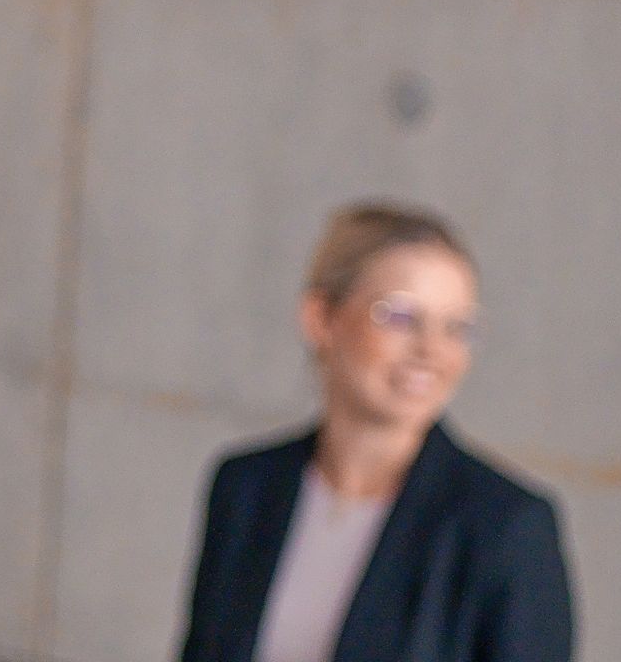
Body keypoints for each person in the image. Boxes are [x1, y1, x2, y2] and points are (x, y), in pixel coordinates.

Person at [174, 204, 575, 662]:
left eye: (456, 327)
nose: (431, 350)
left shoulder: (505, 526)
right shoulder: (247, 487)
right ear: (322, 318)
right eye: (401, 317)